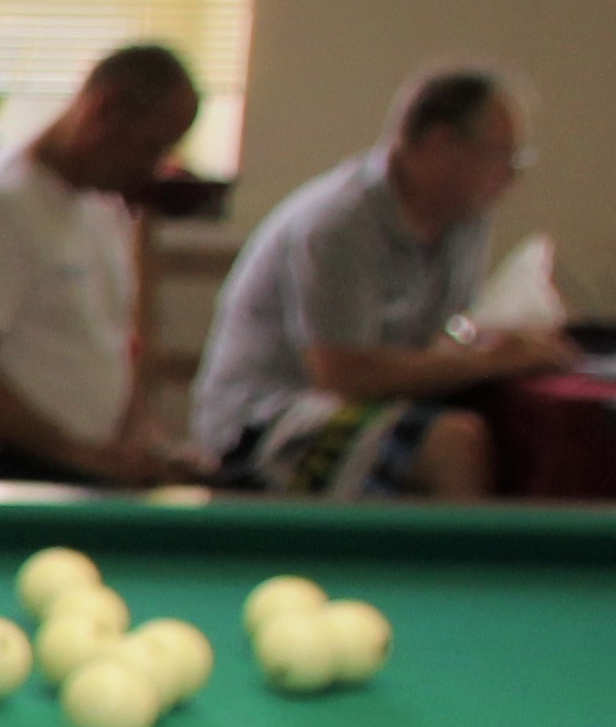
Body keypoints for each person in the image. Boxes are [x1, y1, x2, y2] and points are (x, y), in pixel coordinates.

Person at [190, 66, 568, 500]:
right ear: (440, 143)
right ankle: (460, 549)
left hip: (357, 407)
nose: (512, 177)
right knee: (452, 443)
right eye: (501, 155)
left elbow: (437, 339)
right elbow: (343, 375)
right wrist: (489, 361)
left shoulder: (465, 220)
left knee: (502, 425)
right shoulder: (339, 223)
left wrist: (503, 345)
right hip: (264, 424)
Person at [0, 43, 205, 486]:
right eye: (149, 147)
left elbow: (111, 353)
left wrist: (150, 446)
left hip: (76, 466)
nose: (154, 167)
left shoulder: (101, 209)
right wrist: (80, 455)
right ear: (103, 109)